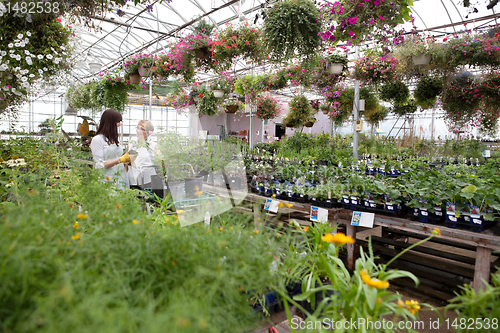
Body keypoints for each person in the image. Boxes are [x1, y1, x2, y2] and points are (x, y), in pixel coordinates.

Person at [90, 109, 130, 189]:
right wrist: (120, 160)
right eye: (118, 121)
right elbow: (99, 165)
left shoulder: (113, 139)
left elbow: (118, 157)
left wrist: (127, 160)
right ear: (110, 123)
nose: (119, 124)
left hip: (120, 176)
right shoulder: (98, 139)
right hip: (107, 179)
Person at [127, 120, 157, 188]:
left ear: (148, 132)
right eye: (137, 128)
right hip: (133, 181)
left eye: (142, 129)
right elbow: (127, 163)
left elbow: (161, 160)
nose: (138, 130)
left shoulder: (153, 145)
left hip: (148, 181)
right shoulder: (131, 145)